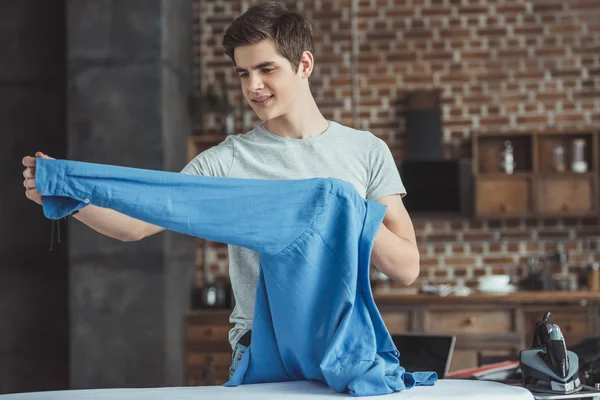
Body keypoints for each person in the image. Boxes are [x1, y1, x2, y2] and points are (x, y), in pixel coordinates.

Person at [22, 0, 420, 378]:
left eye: (267, 69)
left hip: (343, 348)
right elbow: (134, 225)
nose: (254, 86)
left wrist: (347, 210)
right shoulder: (226, 161)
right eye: (244, 73)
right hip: (260, 351)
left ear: (304, 64)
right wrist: (68, 195)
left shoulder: (366, 151)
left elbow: (406, 268)